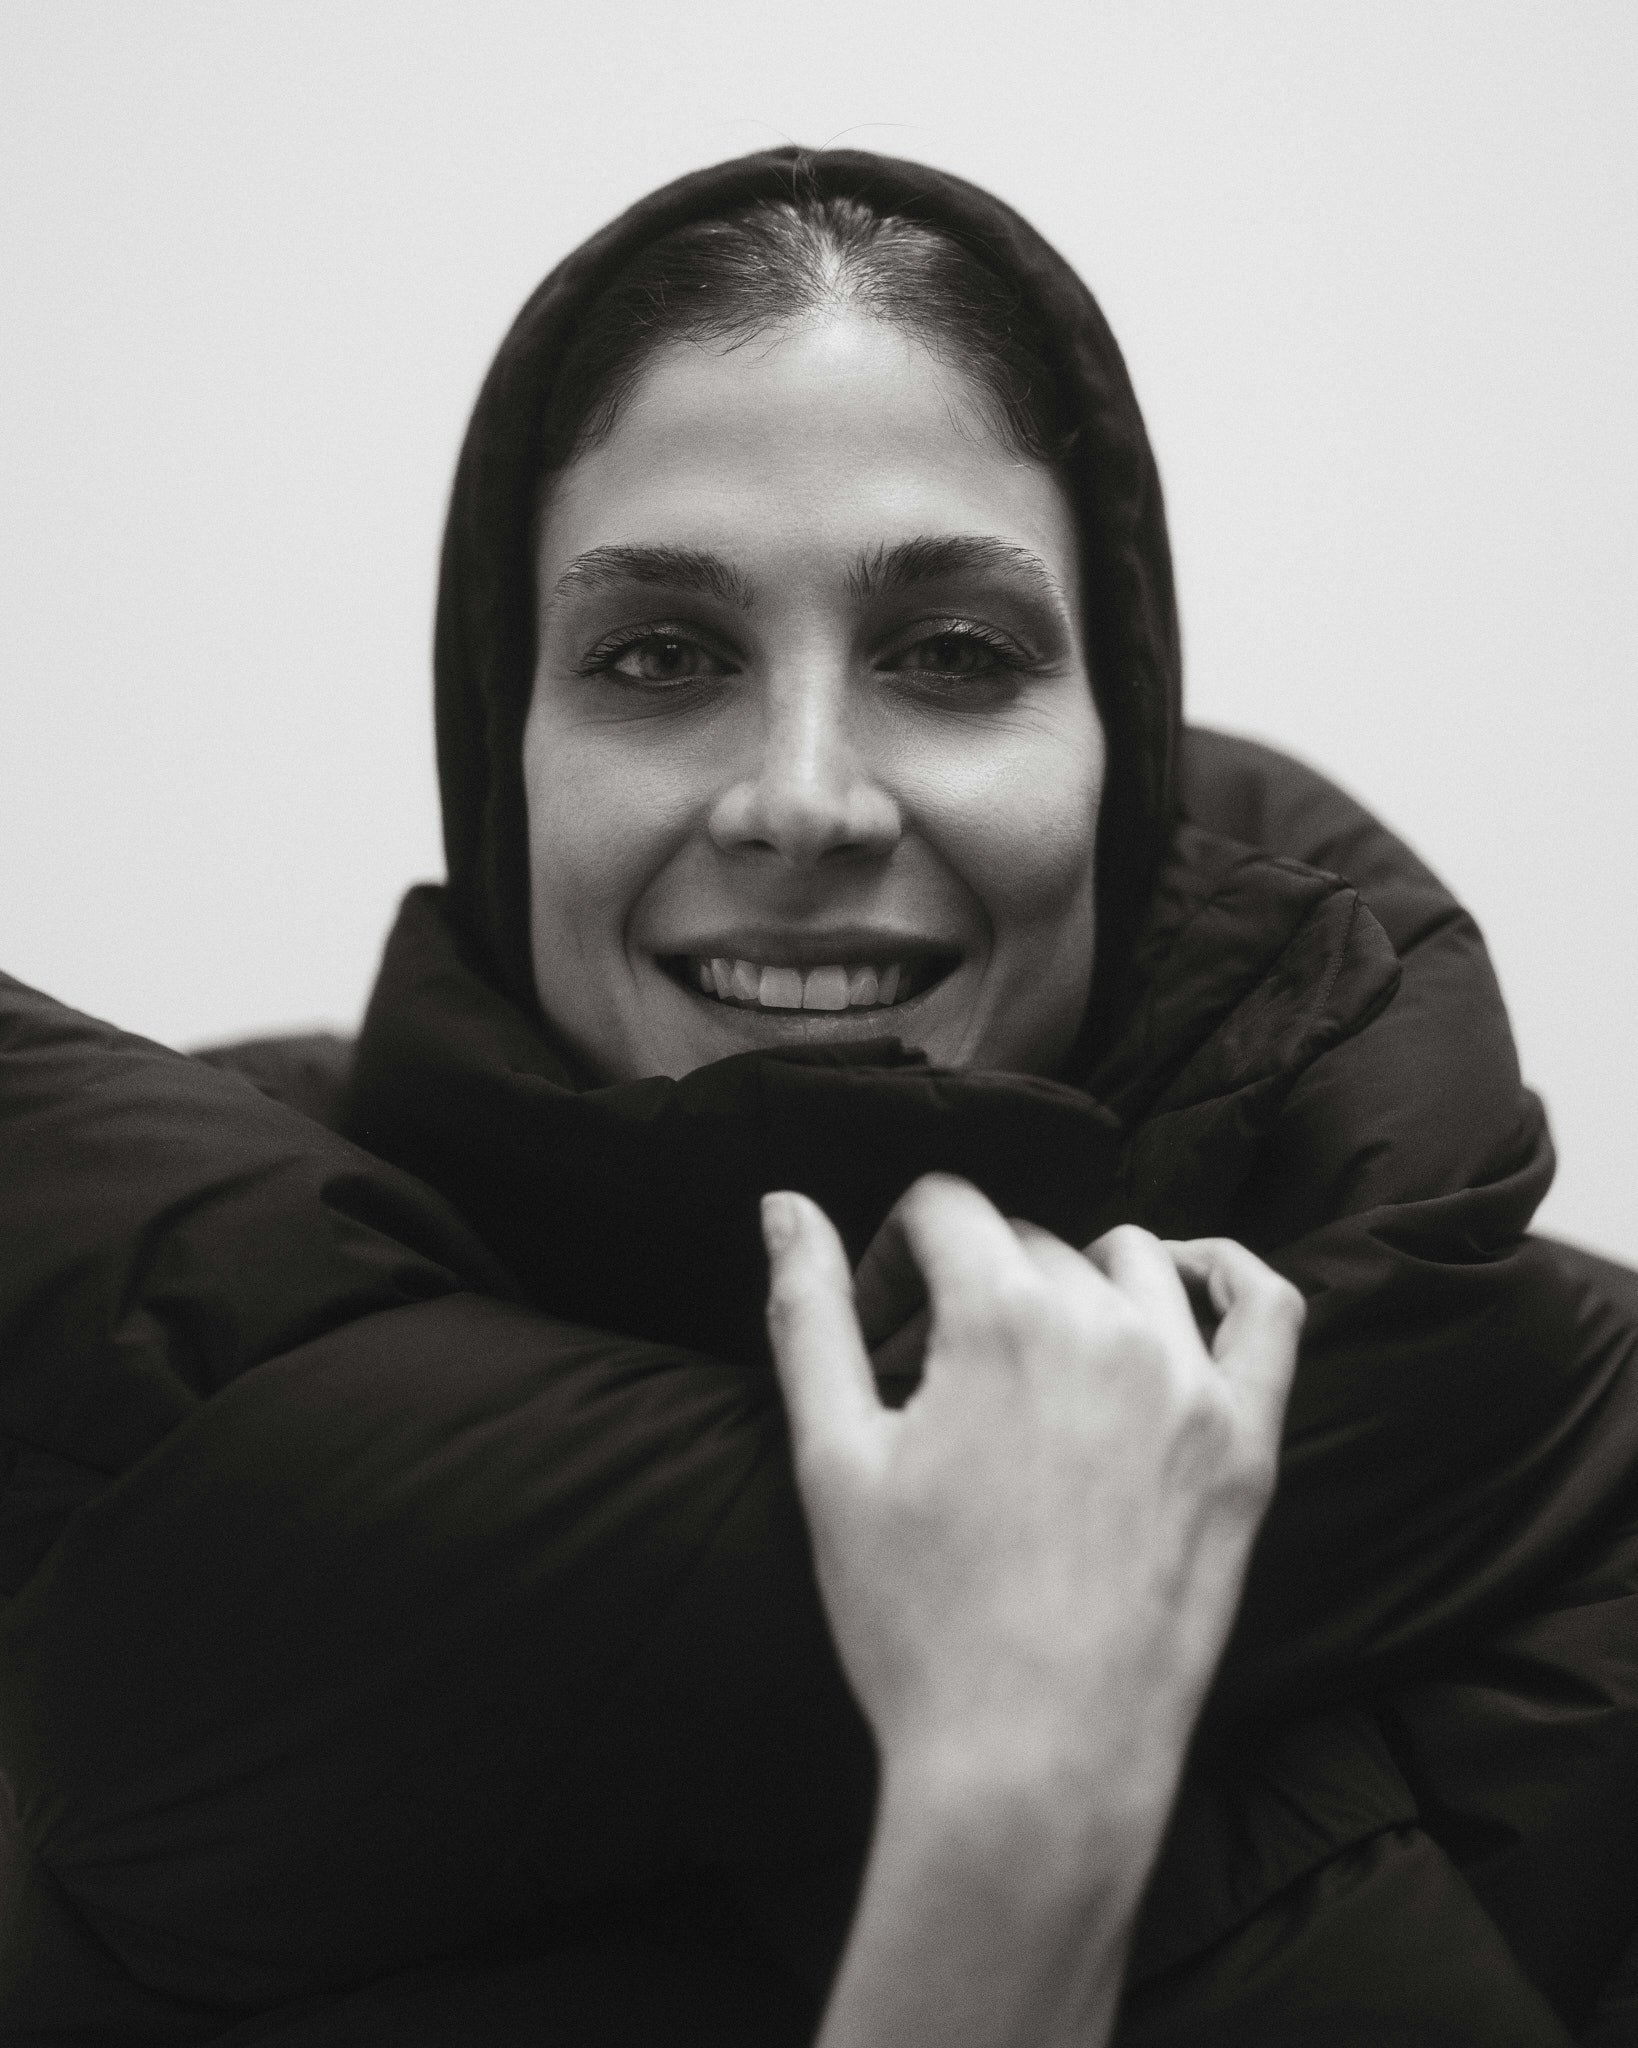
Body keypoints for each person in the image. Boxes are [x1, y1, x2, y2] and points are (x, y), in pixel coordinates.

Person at [2, 146, 1637, 2044]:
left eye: (952, 656)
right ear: (500, 741)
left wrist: (1025, 1809)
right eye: (658, 655)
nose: (801, 800)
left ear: (1114, 750)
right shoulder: (88, 1401)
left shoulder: (1575, 1469)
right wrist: (1001, 1809)